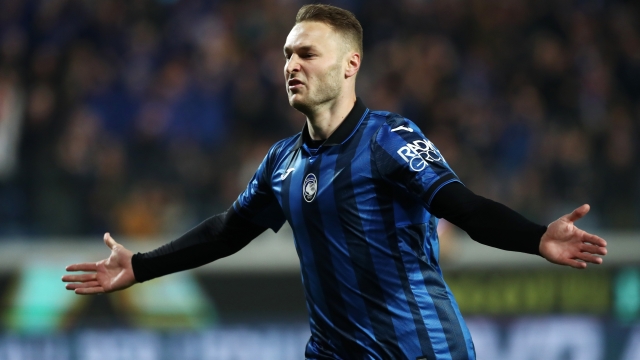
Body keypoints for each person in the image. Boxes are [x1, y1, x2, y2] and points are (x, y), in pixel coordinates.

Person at [62, 4, 608, 360]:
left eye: (306, 53)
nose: (290, 65)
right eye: (286, 55)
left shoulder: (389, 139)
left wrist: (536, 237)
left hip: (420, 351)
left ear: (350, 65)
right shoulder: (280, 161)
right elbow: (227, 231)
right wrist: (141, 266)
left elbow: (462, 206)